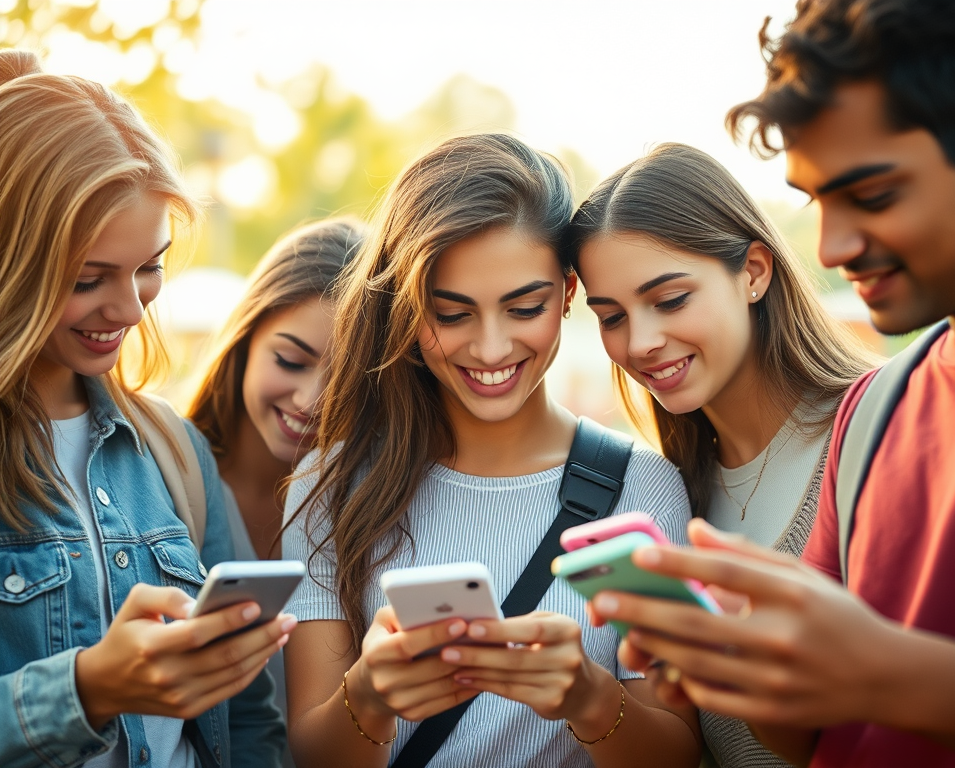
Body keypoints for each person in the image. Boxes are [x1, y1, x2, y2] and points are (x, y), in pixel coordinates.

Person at [586, 1, 955, 766]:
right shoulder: (883, 410)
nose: (830, 247)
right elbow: (810, 736)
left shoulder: (855, 415)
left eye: (875, 194)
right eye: (816, 199)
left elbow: (871, 687)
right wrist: (722, 662)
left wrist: (882, 671)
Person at [281, 133, 701, 767]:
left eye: (523, 307)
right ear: (406, 307)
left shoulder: (642, 488)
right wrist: (369, 695)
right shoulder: (333, 482)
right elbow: (314, 753)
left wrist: (589, 699)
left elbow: (676, 752)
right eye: (451, 315)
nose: (491, 349)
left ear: (566, 294)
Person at [0, 50, 290, 766]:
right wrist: (88, 688)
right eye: (89, 278)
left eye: (150, 267)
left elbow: (249, 719)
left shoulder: (172, 450)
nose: (130, 309)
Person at [563, 142, 874, 767]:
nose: (641, 342)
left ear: (754, 271)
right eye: (611, 316)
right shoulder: (669, 491)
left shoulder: (875, 427)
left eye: (670, 300)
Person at [188, 216, 363, 768]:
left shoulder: (367, 501)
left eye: (346, 381)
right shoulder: (165, 480)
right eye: (289, 360)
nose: (312, 400)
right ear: (245, 337)